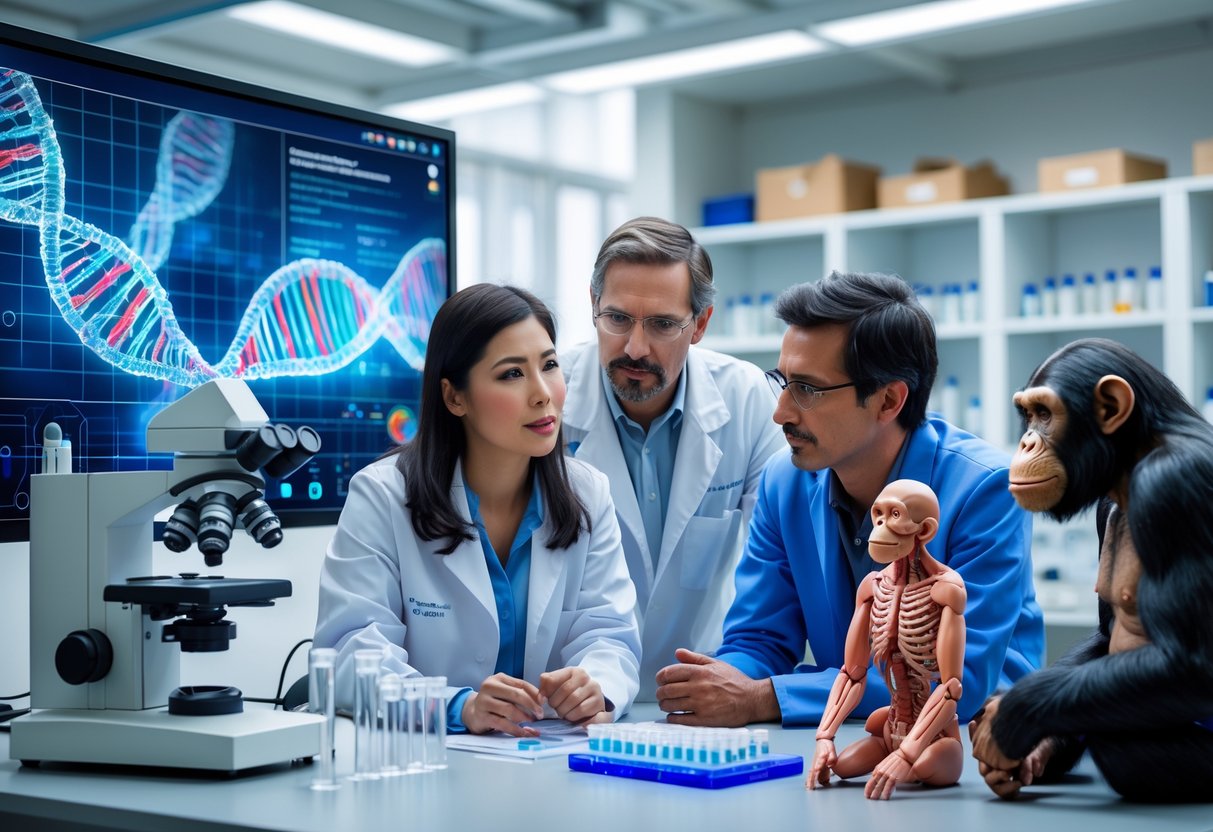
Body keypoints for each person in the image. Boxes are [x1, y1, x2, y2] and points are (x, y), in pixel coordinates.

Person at [654, 271, 1044, 727]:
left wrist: (762, 698)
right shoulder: (785, 481)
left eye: (808, 389)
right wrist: (718, 682)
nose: (780, 412)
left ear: (888, 401)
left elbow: (959, 678)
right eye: (782, 381)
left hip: (973, 747)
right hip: (840, 731)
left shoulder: (986, 489)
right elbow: (761, 640)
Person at [314, 283, 641, 736]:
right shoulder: (383, 495)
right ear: (454, 397)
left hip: (549, 765)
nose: (543, 393)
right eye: (511, 374)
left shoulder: (587, 493)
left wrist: (596, 687)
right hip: (427, 767)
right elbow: (352, 655)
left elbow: (610, 635)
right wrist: (459, 707)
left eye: (549, 365)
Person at [561, 217, 785, 699]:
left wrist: (738, 681)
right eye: (617, 319)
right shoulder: (548, 398)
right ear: (593, 306)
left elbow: (779, 562)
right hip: (574, 695)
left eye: (663, 324)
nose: (635, 348)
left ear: (700, 324)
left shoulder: (747, 399)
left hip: (700, 690)